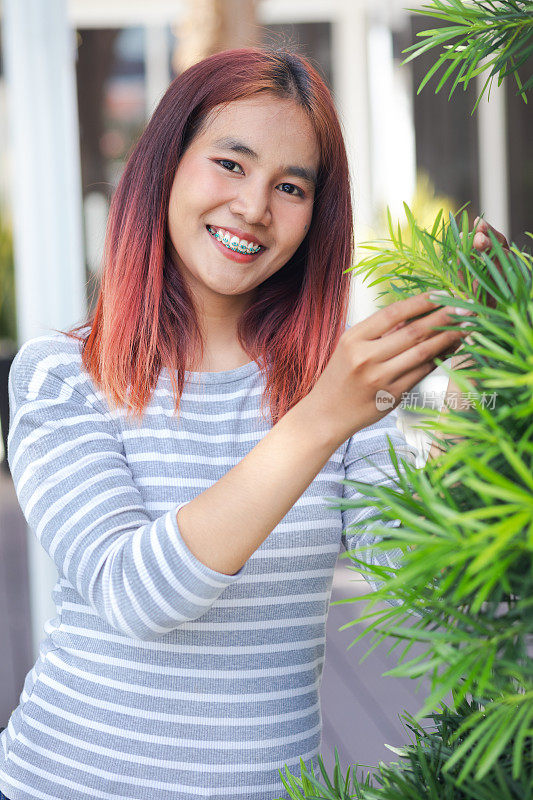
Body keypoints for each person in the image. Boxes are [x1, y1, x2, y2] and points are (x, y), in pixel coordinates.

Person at [0, 47, 506, 800]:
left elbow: (423, 581)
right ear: (165, 165)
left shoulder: (333, 389)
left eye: (290, 186)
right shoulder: (61, 375)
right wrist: (318, 421)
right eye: (230, 164)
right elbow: (136, 594)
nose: (253, 208)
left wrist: (480, 371)